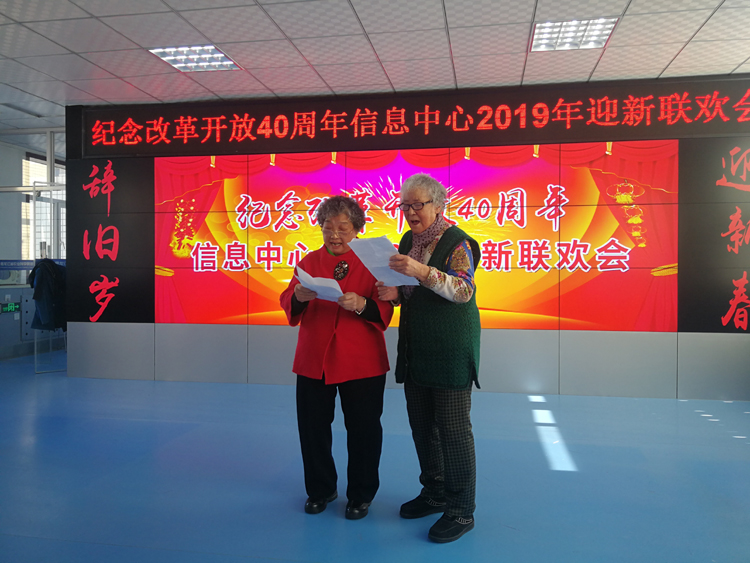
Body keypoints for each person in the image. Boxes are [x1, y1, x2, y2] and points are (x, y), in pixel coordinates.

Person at [376, 173, 481, 543]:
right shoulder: (409, 241)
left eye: (417, 205)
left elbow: (463, 290)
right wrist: (396, 293)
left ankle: (461, 510)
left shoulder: (457, 242)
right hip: (417, 349)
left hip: (450, 351)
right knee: (421, 426)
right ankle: (434, 492)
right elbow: (414, 292)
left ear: (438, 205)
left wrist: (420, 271)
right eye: (405, 205)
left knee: (453, 431)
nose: (410, 212)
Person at [280, 195, 393, 520]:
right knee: (312, 429)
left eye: (343, 228)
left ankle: (361, 495)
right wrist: (298, 296)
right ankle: (320, 489)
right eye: (328, 227)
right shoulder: (308, 261)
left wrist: (362, 304)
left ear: (357, 229)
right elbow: (287, 299)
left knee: (364, 430)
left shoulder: (374, 263)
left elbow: (386, 305)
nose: (334, 234)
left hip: (362, 360)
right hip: (314, 359)